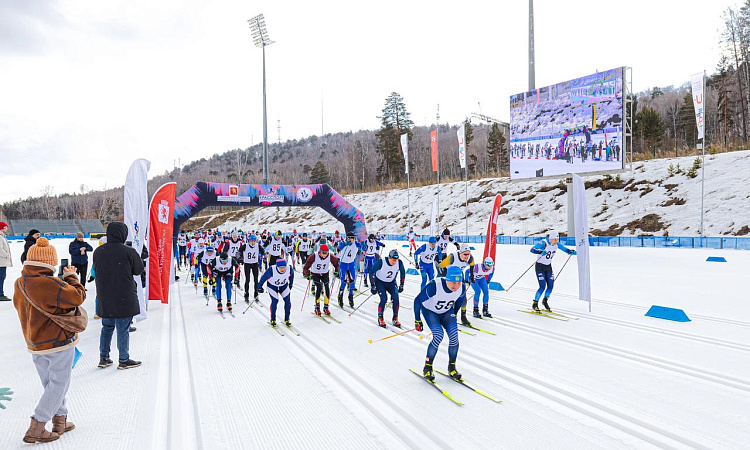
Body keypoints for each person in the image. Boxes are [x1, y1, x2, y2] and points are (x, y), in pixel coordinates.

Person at [12, 237, 86, 443]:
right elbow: (78, 297)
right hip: (57, 342)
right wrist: (71, 277)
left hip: (35, 343)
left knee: (50, 384)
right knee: (59, 384)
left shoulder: (20, 283)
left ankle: (60, 420)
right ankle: (37, 425)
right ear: (49, 262)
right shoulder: (50, 283)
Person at [93, 222, 144, 370]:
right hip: (124, 295)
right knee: (123, 329)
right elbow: (138, 270)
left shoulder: (98, 251)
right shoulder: (128, 251)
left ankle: (104, 358)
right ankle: (123, 359)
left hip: (105, 295)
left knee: (107, 327)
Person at [413, 266, 467, 382]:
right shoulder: (435, 286)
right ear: (447, 279)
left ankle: (452, 367)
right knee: (438, 336)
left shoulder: (461, 288)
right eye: (453, 282)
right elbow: (417, 300)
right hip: (430, 312)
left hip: (446, 312)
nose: (456, 286)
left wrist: (454, 314)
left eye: (459, 282)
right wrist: (417, 319)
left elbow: (459, 301)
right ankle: (428, 367)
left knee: (454, 337)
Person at [529, 230, 576, 311]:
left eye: (557, 240)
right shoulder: (543, 243)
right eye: (555, 240)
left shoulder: (556, 244)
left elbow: (565, 250)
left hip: (548, 267)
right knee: (542, 286)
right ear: (551, 238)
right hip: (540, 266)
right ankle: (535, 303)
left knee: (550, 285)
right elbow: (532, 249)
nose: (556, 241)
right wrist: (540, 251)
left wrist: (571, 252)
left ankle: (545, 301)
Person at [437, 243, 475, 326]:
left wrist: (472, 276)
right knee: (449, 296)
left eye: (468, 254)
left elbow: (472, 266)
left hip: (459, 275)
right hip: (448, 275)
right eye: (465, 254)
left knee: (463, 296)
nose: (467, 256)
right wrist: (442, 277)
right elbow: (440, 266)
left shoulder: (470, 258)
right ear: (460, 253)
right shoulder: (452, 257)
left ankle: (463, 317)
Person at [369, 249, 405, 328]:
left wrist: (402, 284)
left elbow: (403, 272)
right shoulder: (381, 262)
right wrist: (372, 285)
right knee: (384, 299)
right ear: (389, 258)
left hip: (391, 282)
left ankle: (395, 318)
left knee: (396, 298)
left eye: (396, 260)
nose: (394, 262)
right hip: (380, 282)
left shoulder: (399, 263)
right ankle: (380, 317)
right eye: (393, 260)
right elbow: (371, 272)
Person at [303, 244, 339, 317]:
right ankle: (317, 307)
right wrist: (308, 274)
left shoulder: (330, 256)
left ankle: (326, 307)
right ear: (320, 251)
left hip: (325, 273)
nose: (325, 255)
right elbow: (306, 267)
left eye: (326, 253)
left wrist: (336, 271)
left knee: (327, 288)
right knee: (319, 287)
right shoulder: (314, 256)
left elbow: (336, 264)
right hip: (315, 274)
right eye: (323, 253)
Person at [257, 258, 295, 327]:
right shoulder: (272, 270)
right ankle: (273, 319)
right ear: (277, 267)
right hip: (272, 287)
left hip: (283, 286)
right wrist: (259, 287)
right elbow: (263, 278)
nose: (283, 269)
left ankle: (287, 319)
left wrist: (291, 284)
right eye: (280, 268)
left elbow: (292, 275)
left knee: (287, 301)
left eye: (284, 267)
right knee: (275, 301)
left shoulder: (289, 268)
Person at [336, 232, 362, 308]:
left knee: (352, 281)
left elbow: (363, 248)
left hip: (351, 264)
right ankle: (340, 296)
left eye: (353, 238)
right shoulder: (343, 242)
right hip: (343, 264)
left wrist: (361, 247)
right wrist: (344, 244)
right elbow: (338, 249)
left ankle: (350, 297)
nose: (351, 240)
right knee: (343, 282)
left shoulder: (356, 243)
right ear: (347, 238)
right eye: (350, 238)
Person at [239, 234, 265, 303]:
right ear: (249, 240)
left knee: (256, 280)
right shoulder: (245, 246)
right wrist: (239, 258)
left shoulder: (258, 245)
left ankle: (256, 295)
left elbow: (263, 251)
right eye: (252, 241)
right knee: (247, 280)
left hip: (255, 264)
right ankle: (246, 295)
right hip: (247, 264)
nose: (253, 242)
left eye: (254, 241)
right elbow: (239, 252)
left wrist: (265, 256)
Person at [0, 221, 12, 301]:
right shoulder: (0, 237)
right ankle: (0, 295)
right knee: (1, 277)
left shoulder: (2, 236)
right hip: (1, 262)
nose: (6, 229)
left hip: (2, 261)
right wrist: (6, 255)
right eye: (5, 227)